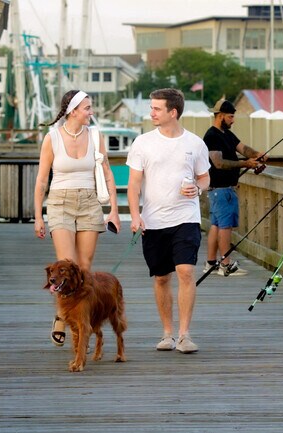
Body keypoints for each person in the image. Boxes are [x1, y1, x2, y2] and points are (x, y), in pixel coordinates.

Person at [34, 89, 121, 347]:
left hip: (89, 202)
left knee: (83, 268)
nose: (91, 112)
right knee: (66, 263)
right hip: (60, 201)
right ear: (73, 111)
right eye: (87, 108)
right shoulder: (52, 138)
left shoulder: (95, 136)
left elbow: (107, 173)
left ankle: (79, 317)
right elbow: (41, 180)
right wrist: (38, 216)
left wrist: (114, 210)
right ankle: (62, 317)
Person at [126, 88, 210, 354]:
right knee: (162, 278)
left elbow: (205, 178)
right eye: (151, 108)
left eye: (157, 108)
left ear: (173, 112)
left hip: (186, 217)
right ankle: (167, 333)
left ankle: (185, 335)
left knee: (186, 271)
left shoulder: (195, 143)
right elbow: (133, 184)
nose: (151, 112)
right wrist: (135, 216)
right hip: (153, 220)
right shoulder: (142, 143)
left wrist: (197, 189)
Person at [203, 99, 267, 276]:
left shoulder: (227, 134)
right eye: (231, 117)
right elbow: (218, 163)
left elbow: (243, 148)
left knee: (216, 226)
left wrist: (257, 155)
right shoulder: (211, 136)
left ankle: (210, 264)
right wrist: (245, 163)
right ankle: (225, 264)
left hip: (221, 191)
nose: (233, 120)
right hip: (222, 190)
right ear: (221, 116)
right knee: (225, 227)